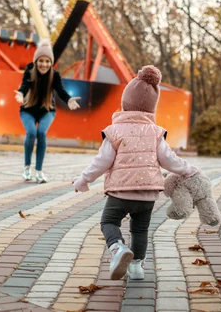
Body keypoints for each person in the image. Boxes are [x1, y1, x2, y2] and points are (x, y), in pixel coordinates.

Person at [72, 65, 199, 280]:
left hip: (120, 193)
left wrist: (84, 180)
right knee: (140, 230)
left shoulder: (114, 131)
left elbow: (102, 161)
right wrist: (189, 170)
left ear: (125, 103)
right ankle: (136, 267)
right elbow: (169, 160)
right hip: (148, 194)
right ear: (152, 108)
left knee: (108, 222)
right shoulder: (156, 133)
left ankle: (117, 248)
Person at [15, 40, 81, 183]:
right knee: (32, 132)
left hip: (47, 111)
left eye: (47, 61)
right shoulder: (29, 70)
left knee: (41, 133)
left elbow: (60, 91)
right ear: (36, 61)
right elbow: (25, 85)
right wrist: (21, 93)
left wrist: (68, 100)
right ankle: (27, 168)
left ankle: (39, 171)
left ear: (51, 62)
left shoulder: (55, 76)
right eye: (41, 61)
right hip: (28, 110)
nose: (44, 64)